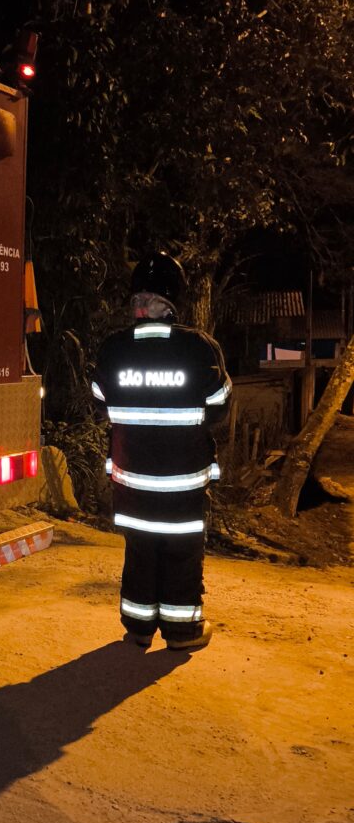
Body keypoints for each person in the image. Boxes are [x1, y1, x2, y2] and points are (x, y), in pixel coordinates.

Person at [93, 252, 232, 650]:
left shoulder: (113, 349)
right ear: (172, 303)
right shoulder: (199, 348)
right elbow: (220, 406)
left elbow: (101, 401)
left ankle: (138, 629)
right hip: (182, 486)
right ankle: (182, 632)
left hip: (131, 482)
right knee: (181, 555)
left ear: (138, 301)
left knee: (139, 552)